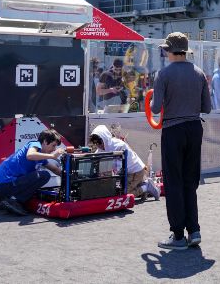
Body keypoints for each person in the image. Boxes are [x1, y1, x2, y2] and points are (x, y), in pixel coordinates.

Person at [150, 32, 211, 250]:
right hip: (195, 128)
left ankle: (177, 236)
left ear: (169, 51)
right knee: (190, 181)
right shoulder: (199, 73)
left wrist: (150, 103)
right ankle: (194, 230)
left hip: (173, 129)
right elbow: (207, 108)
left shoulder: (163, 74)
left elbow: (156, 108)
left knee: (173, 182)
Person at [0, 129, 64, 216]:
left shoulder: (41, 158)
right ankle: (14, 200)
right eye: (53, 145)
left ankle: (14, 200)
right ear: (45, 141)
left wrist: (70, 177)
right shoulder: (34, 144)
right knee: (44, 175)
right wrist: (52, 156)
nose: (54, 149)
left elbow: (55, 169)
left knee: (44, 175)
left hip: (5, 185)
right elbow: (30, 155)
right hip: (2, 184)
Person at [88, 125, 154, 199]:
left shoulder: (119, 145)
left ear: (105, 139)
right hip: (126, 172)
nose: (98, 145)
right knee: (117, 189)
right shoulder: (100, 149)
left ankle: (146, 186)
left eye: (99, 142)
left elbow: (119, 167)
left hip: (135, 171)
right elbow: (95, 159)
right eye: (95, 143)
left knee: (123, 194)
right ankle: (141, 186)